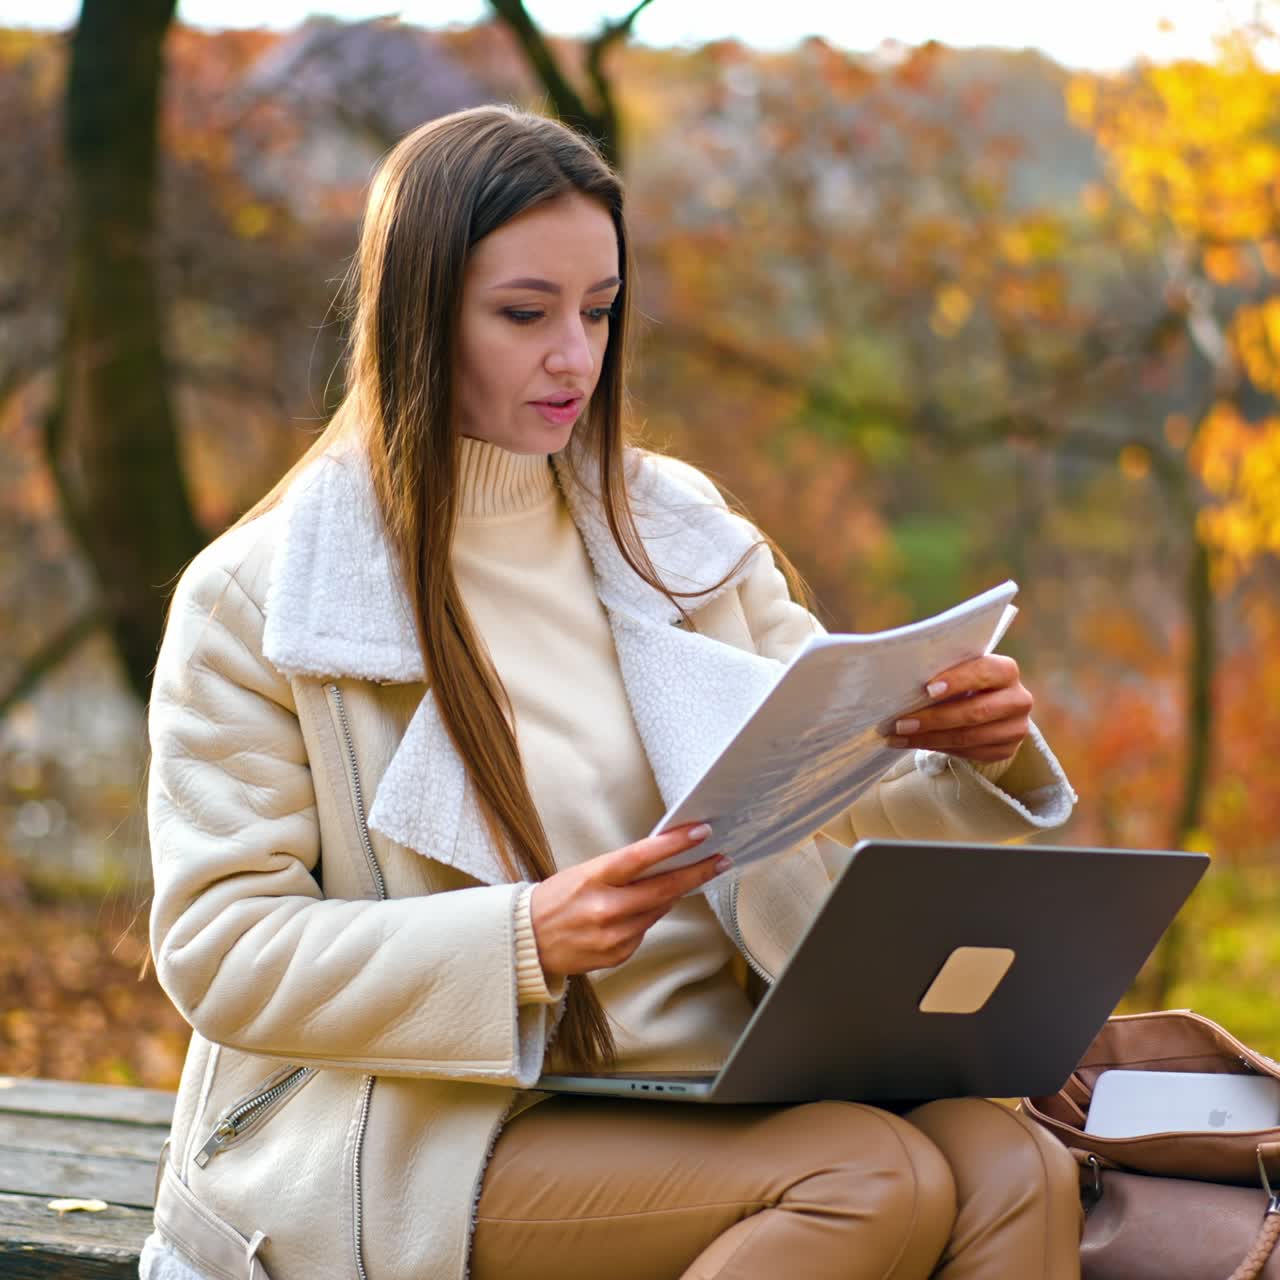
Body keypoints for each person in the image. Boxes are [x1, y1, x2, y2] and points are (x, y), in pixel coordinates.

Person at [139, 105, 1082, 1280]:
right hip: (438, 1125)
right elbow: (221, 948)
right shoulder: (264, 595)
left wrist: (962, 751)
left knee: (1017, 1166)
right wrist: (522, 939)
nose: (573, 357)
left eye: (598, 311)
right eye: (524, 314)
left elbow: (830, 800)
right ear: (416, 314)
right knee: (864, 1176)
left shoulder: (676, 534)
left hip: (731, 1079)